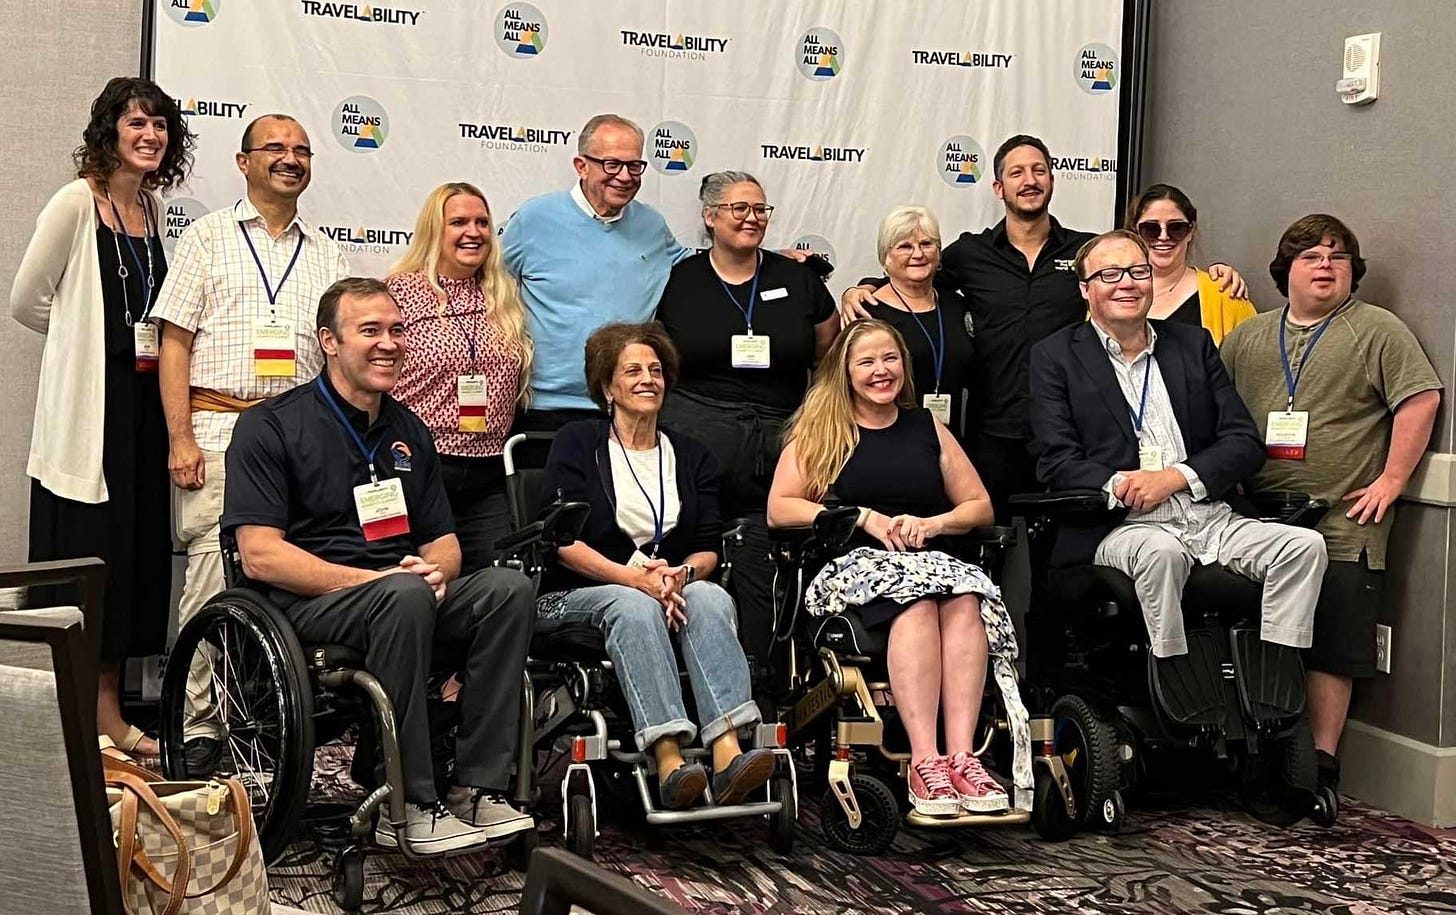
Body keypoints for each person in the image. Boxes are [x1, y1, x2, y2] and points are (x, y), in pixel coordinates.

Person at [222, 277, 536, 854]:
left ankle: (479, 788)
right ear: (329, 342)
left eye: (397, 330)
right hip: (310, 606)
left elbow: (445, 543)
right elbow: (260, 555)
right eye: (370, 331)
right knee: (404, 595)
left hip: (401, 597)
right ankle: (409, 800)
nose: (388, 343)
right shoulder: (270, 426)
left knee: (508, 589)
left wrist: (435, 571)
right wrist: (380, 582)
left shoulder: (409, 430)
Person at [840, 135, 1247, 519]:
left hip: (1076, 433)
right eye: (1016, 173)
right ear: (999, 188)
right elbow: (916, 278)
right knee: (989, 541)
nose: (1029, 181)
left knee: (1070, 551)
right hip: (994, 431)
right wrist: (865, 288)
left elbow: (1139, 271)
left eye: (1039, 170)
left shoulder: (1087, 251)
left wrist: (1214, 274)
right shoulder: (969, 254)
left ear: (1052, 180)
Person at [1028, 230, 1326, 670]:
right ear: (1084, 288)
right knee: (1161, 553)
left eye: (1137, 272)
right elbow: (1056, 461)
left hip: (1211, 517)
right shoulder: (1055, 357)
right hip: (1124, 525)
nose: (1127, 283)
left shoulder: (1193, 344)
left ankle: (1273, 673)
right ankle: (1175, 676)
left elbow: (1243, 442)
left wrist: (1176, 477)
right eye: (1110, 274)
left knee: (1305, 547)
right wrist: (1125, 484)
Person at [1221, 214, 1441, 799]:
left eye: (1337, 257)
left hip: (1346, 521)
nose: (1325, 266)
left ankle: (1319, 768)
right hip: (1255, 518)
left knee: (1333, 644)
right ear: (1284, 269)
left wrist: (1392, 481)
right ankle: (1258, 755)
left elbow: (1421, 398)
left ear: (1353, 272)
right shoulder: (1248, 336)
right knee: (1256, 633)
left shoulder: (1378, 330)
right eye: (1311, 256)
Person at [151, 113, 349, 763]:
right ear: (244, 162)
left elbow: (341, 358)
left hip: (300, 440)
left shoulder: (326, 252)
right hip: (218, 428)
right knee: (214, 572)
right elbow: (172, 341)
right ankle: (198, 722)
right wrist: (180, 438)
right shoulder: (207, 238)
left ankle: (270, 722)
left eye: (302, 149)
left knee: (289, 574)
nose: (290, 158)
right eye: (275, 148)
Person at [767, 319, 1021, 817]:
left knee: (965, 599)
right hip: (853, 568)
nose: (881, 371)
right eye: (867, 361)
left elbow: (979, 507)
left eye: (890, 359)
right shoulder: (822, 430)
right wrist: (860, 516)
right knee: (919, 603)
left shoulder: (927, 427)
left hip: (926, 557)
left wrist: (934, 524)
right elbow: (780, 508)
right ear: (845, 371)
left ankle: (962, 758)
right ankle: (925, 761)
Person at [10, 77, 196, 756]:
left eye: (160, 127)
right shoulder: (74, 203)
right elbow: (28, 300)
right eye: (137, 124)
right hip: (91, 415)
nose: (150, 137)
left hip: (145, 413)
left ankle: (109, 715)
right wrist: (75, 345)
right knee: (90, 564)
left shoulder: (150, 210)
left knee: (132, 562)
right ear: (109, 132)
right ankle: (87, 719)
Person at [536, 322, 775, 810]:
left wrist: (680, 576)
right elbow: (563, 543)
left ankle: (728, 752)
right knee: (633, 605)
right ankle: (668, 759)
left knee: (710, 595)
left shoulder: (691, 455)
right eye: (632, 371)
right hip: (576, 594)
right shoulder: (576, 442)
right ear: (607, 387)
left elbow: (708, 546)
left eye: (656, 369)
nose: (648, 379)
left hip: (668, 586)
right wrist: (633, 578)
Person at [656, 170, 838, 682]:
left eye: (759, 208)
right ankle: (687, 669)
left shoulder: (795, 277)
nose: (751, 218)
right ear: (710, 218)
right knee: (698, 545)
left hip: (782, 437)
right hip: (698, 437)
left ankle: (767, 671)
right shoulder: (680, 280)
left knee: (769, 549)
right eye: (738, 208)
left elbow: (829, 349)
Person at [502, 114, 693, 431]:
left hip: (626, 406)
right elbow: (484, 281)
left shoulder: (652, 226)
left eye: (634, 166)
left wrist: (769, 257)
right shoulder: (534, 219)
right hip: (545, 408)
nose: (625, 176)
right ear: (581, 165)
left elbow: (708, 266)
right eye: (612, 165)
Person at [386, 182, 533, 572]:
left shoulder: (501, 295)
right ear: (435, 230)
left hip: (488, 473)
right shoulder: (399, 292)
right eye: (459, 222)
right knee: (421, 582)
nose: (474, 232)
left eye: (482, 222)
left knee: (496, 585)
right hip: (419, 466)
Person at [858, 206, 974, 445]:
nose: (918, 254)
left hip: (952, 441)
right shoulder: (868, 312)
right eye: (905, 246)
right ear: (885, 258)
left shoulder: (956, 305)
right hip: (888, 442)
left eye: (926, 244)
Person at [1125, 183, 1254, 343]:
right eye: (1151, 229)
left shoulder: (1225, 294)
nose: (1163, 237)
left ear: (1190, 231)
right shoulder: (1111, 290)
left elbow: (1250, 359)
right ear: (1135, 231)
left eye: (1176, 228)